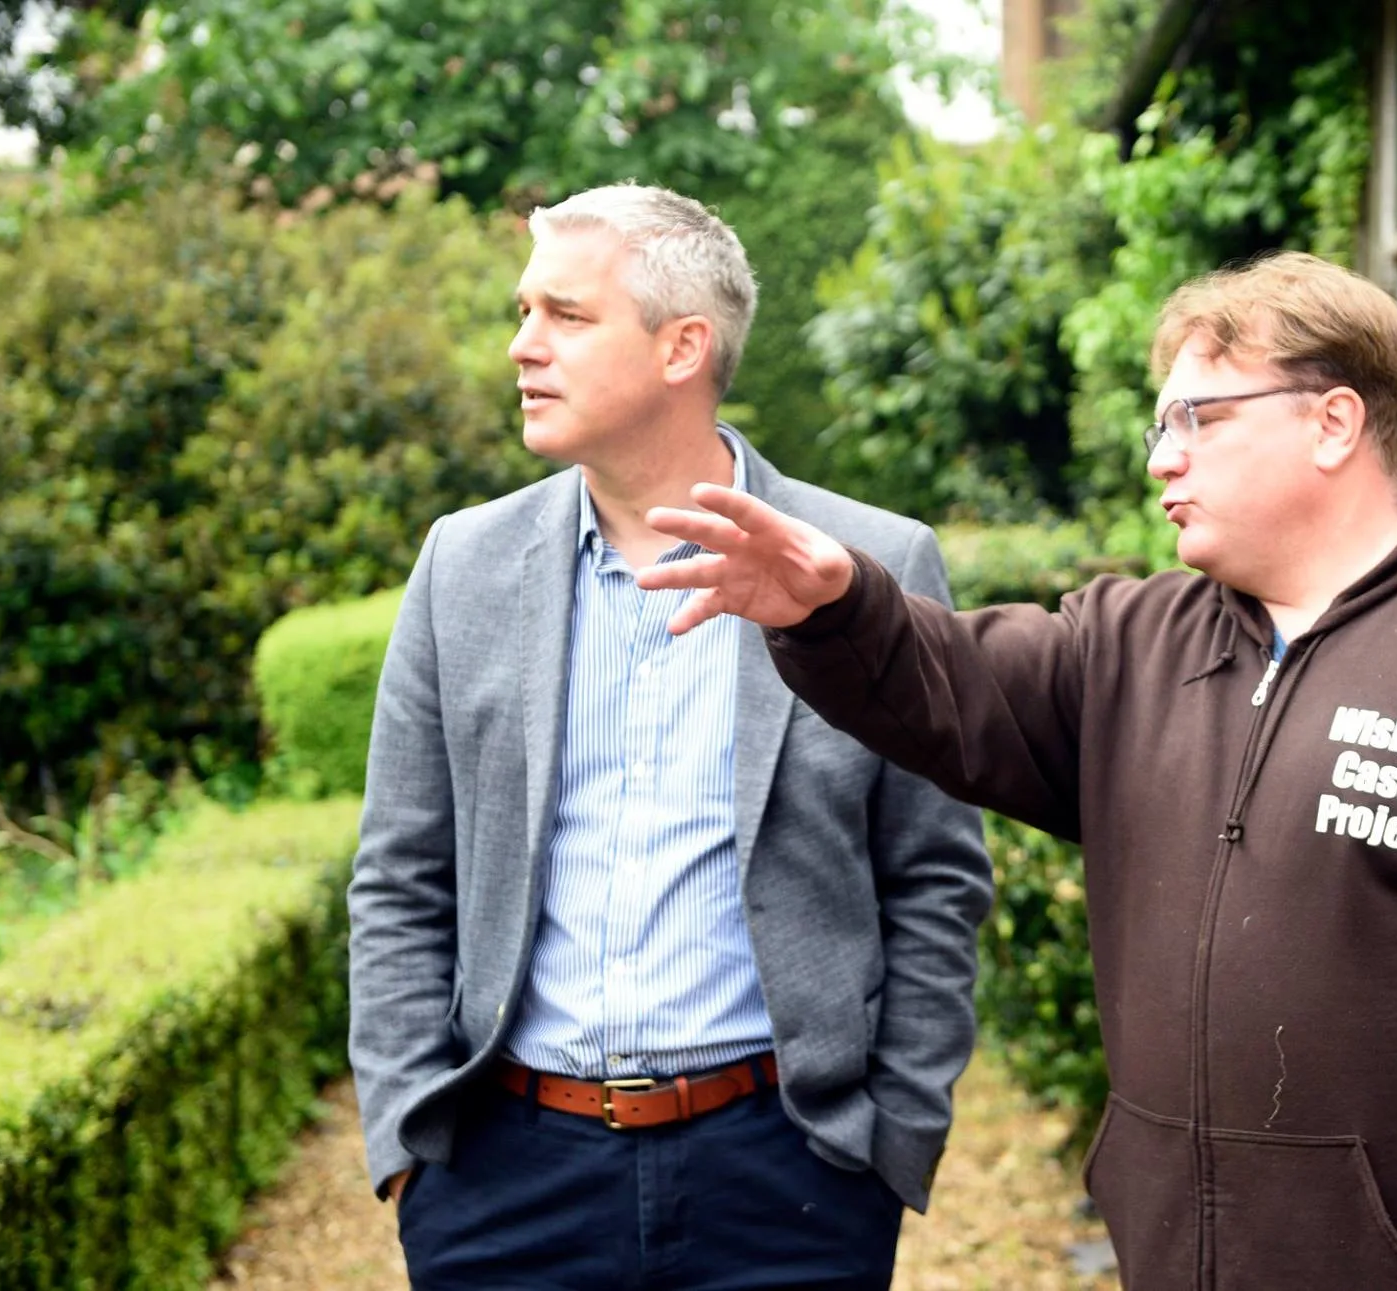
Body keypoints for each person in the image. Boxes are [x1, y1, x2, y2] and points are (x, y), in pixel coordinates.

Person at [636, 251, 1397, 1290]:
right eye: (1157, 427)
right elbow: (948, 679)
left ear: (1333, 422)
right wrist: (835, 609)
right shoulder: (1133, 645)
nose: (1160, 458)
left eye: (1195, 418)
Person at [346, 182, 993, 1291]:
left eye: (565, 315)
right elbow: (401, 874)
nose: (521, 346)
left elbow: (934, 874)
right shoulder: (463, 565)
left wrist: (888, 1139)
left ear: (680, 346)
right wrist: (411, 1143)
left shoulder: (867, 563)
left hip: (787, 1180)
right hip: (503, 1184)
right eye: (522, 311)